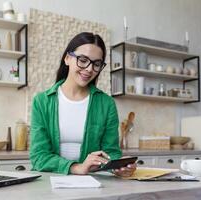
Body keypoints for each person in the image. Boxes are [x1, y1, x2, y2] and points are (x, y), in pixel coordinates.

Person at [30, 32, 136, 176]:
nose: (89, 69)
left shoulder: (107, 104)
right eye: (83, 60)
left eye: (96, 64)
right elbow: (39, 156)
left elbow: (111, 152)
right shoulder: (41, 102)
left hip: (93, 182)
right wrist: (76, 167)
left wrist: (118, 167)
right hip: (50, 182)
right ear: (67, 58)